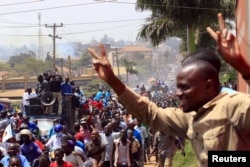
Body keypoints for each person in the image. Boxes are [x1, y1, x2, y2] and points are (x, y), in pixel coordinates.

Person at [88, 13, 250, 167]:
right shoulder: (190, 117)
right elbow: (150, 114)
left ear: (208, 86)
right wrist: (112, 80)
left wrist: (242, 66)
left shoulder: (234, 106)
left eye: (185, 87)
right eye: (178, 87)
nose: (178, 93)